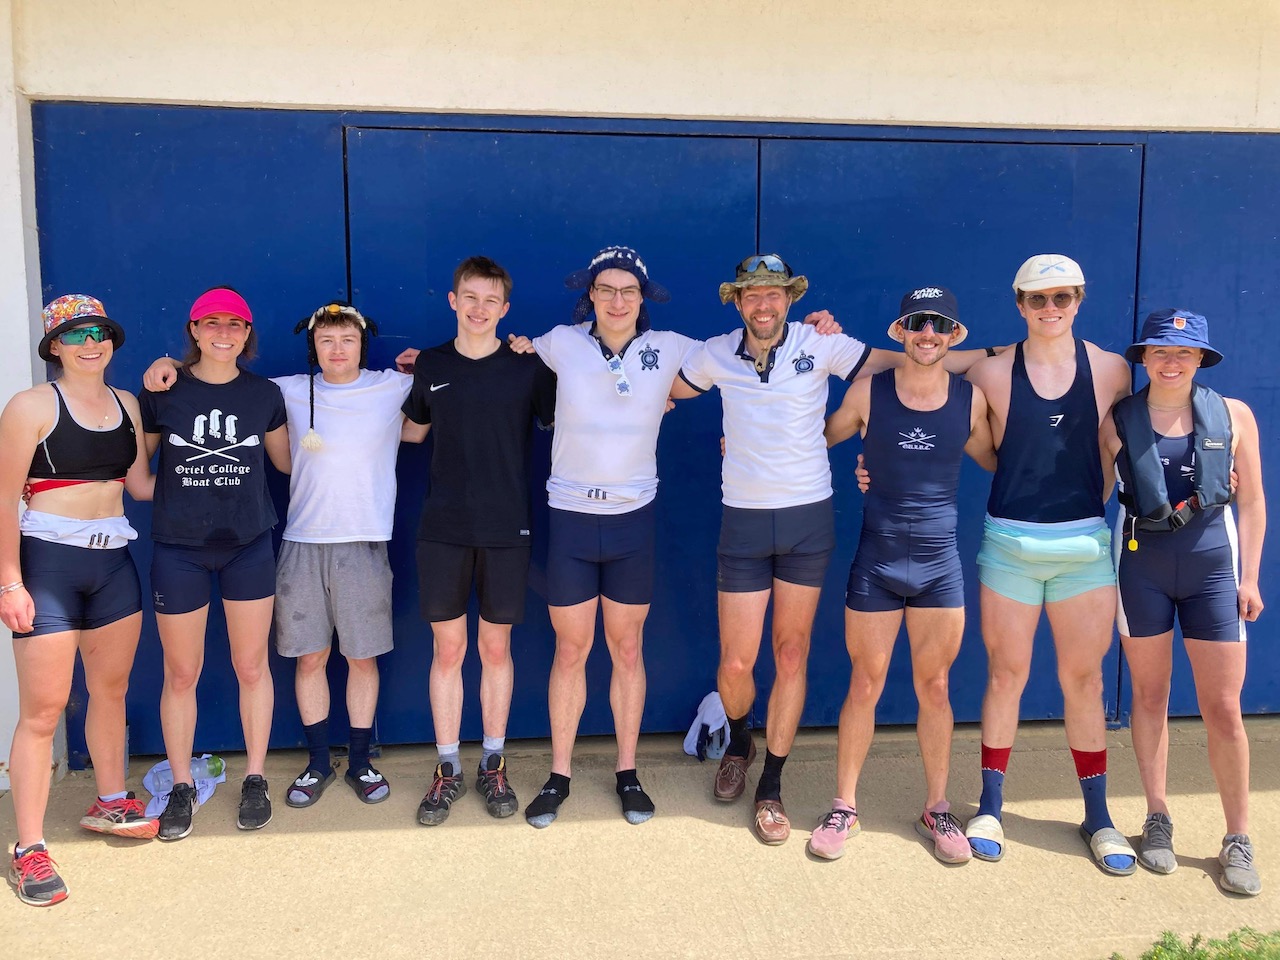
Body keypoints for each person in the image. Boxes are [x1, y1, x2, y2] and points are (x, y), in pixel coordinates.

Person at [670, 256, 993, 844]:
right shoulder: (714, 354)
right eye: (752, 295)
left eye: (774, 294)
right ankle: (739, 741)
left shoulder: (822, 343)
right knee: (736, 664)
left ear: (790, 299)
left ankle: (771, 787)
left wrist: (1002, 356)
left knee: (791, 654)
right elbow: (663, 387)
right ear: (737, 301)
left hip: (807, 520)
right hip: (743, 520)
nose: (763, 304)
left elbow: (909, 360)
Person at [144, 301, 415, 808]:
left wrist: (427, 364)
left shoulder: (392, 387)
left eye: (348, 340)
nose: (337, 349)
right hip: (301, 540)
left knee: (362, 657)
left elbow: (427, 416)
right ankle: (318, 763)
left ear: (363, 344)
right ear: (313, 346)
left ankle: (360, 761)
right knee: (310, 658)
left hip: (365, 540)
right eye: (326, 340)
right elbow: (217, 375)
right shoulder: (283, 390)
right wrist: (169, 365)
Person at [961, 254, 1136, 874]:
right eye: (1038, 298)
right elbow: (978, 439)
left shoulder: (1111, 369)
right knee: (1005, 675)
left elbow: (1131, 441)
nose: (1051, 308)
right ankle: (990, 808)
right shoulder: (990, 371)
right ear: (1019, 304)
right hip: (1009, 543)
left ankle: (1099, 817)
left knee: (1085, 682)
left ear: (1079, 300)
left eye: (1062, 297)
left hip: (1083, 547)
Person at [809, 286, 995, 863]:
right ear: (901, 332)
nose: (927, 333)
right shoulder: (869, 392)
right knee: (864, 683)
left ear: (954, 335)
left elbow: (1002, 461)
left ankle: (937, 808)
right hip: (878, 560)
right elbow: (814, 439)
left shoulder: (971, 400)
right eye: (917, 323)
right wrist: (747, 443)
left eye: (938, 324)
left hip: (940, 566)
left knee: (934, 687)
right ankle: (844, 806)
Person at [518, 246, 696, 829]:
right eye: (606, 289)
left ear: (643, 298)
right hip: (571, 518)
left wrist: (815, 329)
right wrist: (426, 365)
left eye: (629, 291)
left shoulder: (669, 347)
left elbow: (740, 359)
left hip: (632, 521)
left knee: (627, 649)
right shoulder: (559, 342)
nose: (617, 301)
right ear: (590, 295)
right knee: (571, 651)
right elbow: (497, 355)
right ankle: (559, 775)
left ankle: (627, 773)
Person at [1102, 309, 1265, 895]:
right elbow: (1092, 494)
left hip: (1213, 570)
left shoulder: (1234, 415)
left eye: (1184, 352)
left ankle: (1238, 836)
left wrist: (1250, 578)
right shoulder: (1118, 420)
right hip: (1140, 567)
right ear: (1144, 358)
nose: (1171, 362)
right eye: (1160, 352)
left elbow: (1252, 502)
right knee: (1150, 697)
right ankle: (1157, 816)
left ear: (1200, 359)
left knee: (1223, 707)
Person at [1, 295, 155, 907]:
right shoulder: (31, 406)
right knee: (44, 711)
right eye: (75, 335)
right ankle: (29, 847)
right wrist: (8, 581)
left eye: (99, 333)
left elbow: (140, 485)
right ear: (54, 347)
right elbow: (4, 498)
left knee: (110, 691)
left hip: (113, 563)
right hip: (48, 567)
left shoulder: (128, 404)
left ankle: (110, 801)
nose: (91, 344)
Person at [400, 256, 556, 826]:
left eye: (491, 300)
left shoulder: (528, 367)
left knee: (494, 649)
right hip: (443, 529)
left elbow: (573, 418)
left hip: (506, 529)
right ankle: (447, 767)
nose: (479, 308)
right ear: (453, 300)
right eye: (470, 297)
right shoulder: (431, 364)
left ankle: (494, 762)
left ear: (505, 309)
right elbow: (410, 432)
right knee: (448, 651)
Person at [139, 286, 290, 840]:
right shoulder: (163, 391)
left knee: (252, 667)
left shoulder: (265, 394)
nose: (223, 333)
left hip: (248, 545)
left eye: (235, 325)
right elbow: (136, 472)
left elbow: (287, 463)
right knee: (182, 673)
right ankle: (181, 786)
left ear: (247, 334)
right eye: (211, 323)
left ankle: (255, 778)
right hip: (179, 549)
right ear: (194, 331)